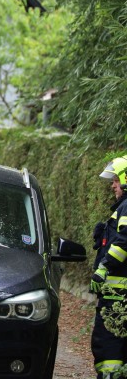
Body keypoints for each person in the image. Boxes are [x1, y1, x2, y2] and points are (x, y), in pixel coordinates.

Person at [90, 155, 127, 378]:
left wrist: (104, 265)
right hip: (117, 294)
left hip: (118, 294)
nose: (112, 185)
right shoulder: (122, 207)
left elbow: (125, 241)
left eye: (115, 180)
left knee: (109, 343)